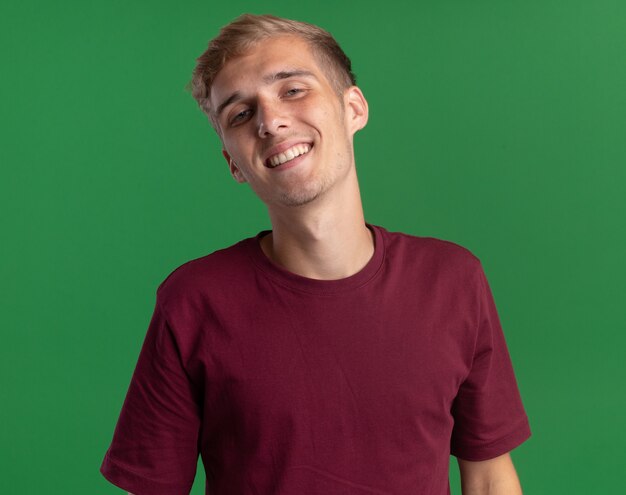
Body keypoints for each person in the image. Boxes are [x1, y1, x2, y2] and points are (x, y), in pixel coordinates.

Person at [100, 13, 531, 495]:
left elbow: (490, 476)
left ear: (354, 109)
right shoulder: (193, 302)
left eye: (292, 90)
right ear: (233, 163)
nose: (270, 120)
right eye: (240, 114)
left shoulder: (453, 280)